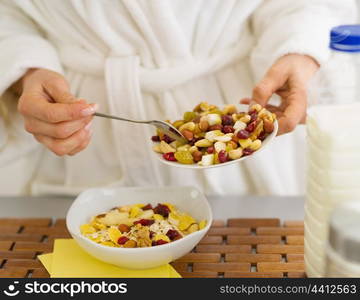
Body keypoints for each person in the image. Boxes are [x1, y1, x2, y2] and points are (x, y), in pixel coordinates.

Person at [0, 0, 357, 196]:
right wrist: (28, 72)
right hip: (80, 119)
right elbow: (10, 14)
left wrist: (297, 49)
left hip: (241, 91)